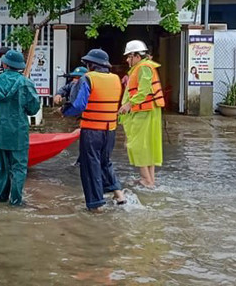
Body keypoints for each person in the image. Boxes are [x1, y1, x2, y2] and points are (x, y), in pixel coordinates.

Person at [61, 49, 126, 210]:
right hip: (110, 129)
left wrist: (63, 111)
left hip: (91, 130)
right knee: (105, 163)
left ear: (91, 65)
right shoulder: (116, 79)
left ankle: (95, 205)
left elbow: (79, 105)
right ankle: (119, 196)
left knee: (90, 166)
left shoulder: (87, 78)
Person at [0, 49, 41, 206]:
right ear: (20, 67)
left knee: (2, 167)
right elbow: (33, 109)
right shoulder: (26, 83)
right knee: (18, 168)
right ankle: (16, 201)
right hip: (18, 132)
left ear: (4, 64)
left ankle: (1, 198)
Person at [118, 40, 164, 188]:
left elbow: (144, 91)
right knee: (147, 145)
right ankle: (150, 180)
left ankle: (146, 179)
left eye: (128, 56)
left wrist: (128, 104)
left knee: (137, 145)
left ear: (136, 56)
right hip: (147, 110)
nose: (126, 60)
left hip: (143, 111)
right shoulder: (144, 67)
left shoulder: (144, 68)